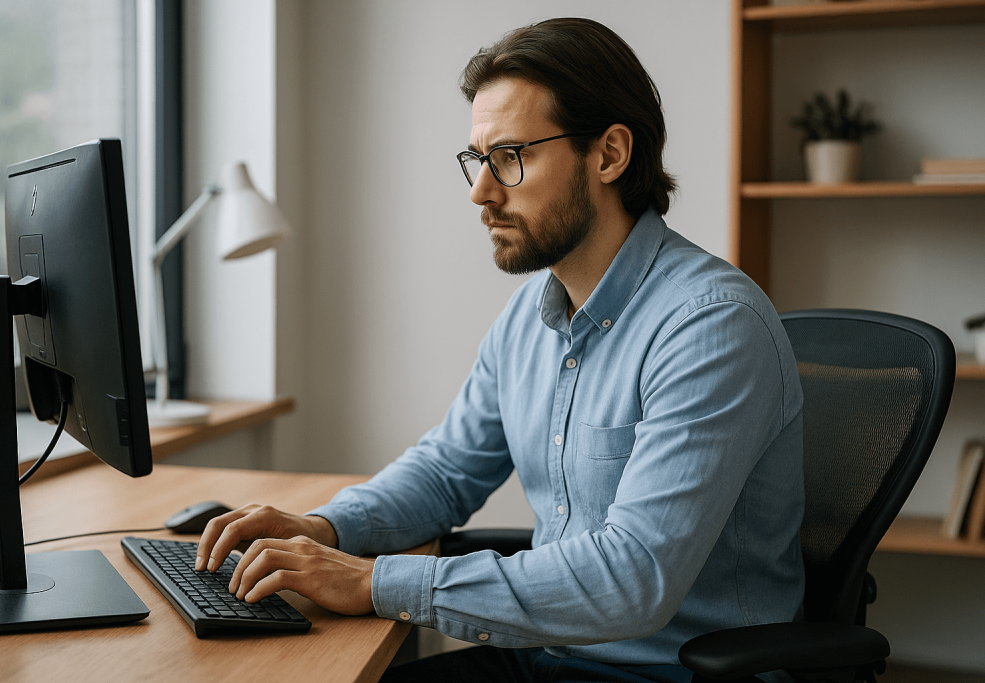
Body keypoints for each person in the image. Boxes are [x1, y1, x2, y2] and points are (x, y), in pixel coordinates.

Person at [196, 17, 805, 683]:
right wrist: (325, 528)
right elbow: (446, 471)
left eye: (510, 157)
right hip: (553, 653)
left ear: (608, 154)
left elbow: (634, 578)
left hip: (673, 672)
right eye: (477, 159)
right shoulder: (529, 317)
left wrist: (374, 582)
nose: (481, 192)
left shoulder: (710, 325)